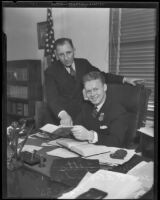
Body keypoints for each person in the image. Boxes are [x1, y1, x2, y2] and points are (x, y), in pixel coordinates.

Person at [44, 38, 142, 126]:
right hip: (64, 120)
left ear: (74, 50)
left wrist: (124, 79)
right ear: (56, 55)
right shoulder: (51, 71)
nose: (66, 58)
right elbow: (52, 99)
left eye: (69, 52)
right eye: (61, 55)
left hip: (83, 118)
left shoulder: (83, 64)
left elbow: (101, 75)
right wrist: (63, 115)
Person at [71, 71, 130, 148]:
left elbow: (116, 141)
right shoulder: (86, 107)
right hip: (87, 151)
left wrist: (91, 136)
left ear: (105, 87)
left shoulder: (118, 111)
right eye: (88, 91)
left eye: (95, 89)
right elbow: (76, 126)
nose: (92, 94)